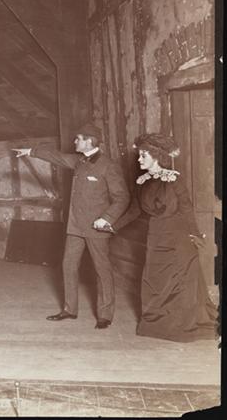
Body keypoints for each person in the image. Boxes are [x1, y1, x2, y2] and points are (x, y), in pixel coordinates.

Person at [12, 122, 130, 329]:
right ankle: (69, 309)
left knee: (102, 270)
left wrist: (107, 218)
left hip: (96, 227)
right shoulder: (79, 161)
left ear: (89, 141)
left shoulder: (108, 166)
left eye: (78, 139)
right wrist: (31, 152)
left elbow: (122, 198)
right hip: (75, 226)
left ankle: (105, 315)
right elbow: (56, 157)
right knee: (68, 265)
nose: (74, 141)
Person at [114, 133, 217, 342]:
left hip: (178, 239)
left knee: (180, 284)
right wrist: (112, 226)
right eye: (139, 155)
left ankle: (181, 327)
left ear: (156, 157)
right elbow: (134, 211)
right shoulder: (142, 182)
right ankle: (158, 326)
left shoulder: (174, 179)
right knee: (155, 283)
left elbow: (186, 209)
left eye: (143, 155)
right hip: (155, 238)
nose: (139, 159)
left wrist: (195, 234)